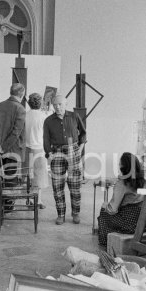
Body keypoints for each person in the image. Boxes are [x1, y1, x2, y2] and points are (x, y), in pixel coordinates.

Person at [43, 94, 86, 225]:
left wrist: (80, 148)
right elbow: (46, 139)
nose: (57, 107)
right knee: (57, 185)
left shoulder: (74, 116)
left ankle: (75, 213)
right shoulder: (48, 121)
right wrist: (49, 154)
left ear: (65, 104)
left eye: (60, 104)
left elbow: (83, 133)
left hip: (73, 151)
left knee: (75, 185)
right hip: (56, 152)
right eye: (55, 105)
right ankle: (60, 214)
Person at [97, 152, 146, 247]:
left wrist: (105, 205)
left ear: (123, 166)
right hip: (145, 221)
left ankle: (106, 240)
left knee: (103, 212)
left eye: (120, 163)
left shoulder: (122, 183)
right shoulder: (142, 181)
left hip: (129, 223)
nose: (119, 165)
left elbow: (112, 210)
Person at [0, 83, 26, 210]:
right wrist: (4, 147)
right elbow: (16, 132)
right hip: (12, 151)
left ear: (10, 92)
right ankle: (7, 207)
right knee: (10, 179)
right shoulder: (20, 109)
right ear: (22, 94)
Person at [24, 93, 48, 209]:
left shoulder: (25, 115)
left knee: (29, 175)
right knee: (38, 177)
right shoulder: (44, 116)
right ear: (41, 103)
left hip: (26, 148)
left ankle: (29, 199)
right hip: (39, 148)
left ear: (29, 103)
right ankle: (38, 201)